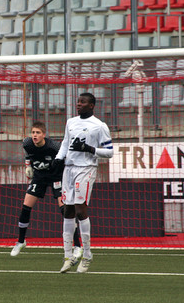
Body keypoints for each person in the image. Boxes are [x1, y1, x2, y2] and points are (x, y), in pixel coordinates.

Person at [55, 93, 113, 273]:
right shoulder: (71, 122)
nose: (78, 104)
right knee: (67, 209)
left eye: (83, 102)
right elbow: (65, 143)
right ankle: (68, 255)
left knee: (81, 209)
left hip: (86, 168)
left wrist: (89, 148)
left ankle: (87, 255)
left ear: (92, 105)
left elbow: (109, 152)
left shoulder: (99, 126)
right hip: (69, 168)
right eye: (78, 101)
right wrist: (58, 158)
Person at [10, 121, 82, 262]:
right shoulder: (27, 143)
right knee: (26, 207)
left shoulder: (54, 146)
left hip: (57, 177)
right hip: (39, 177)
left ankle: (78, 245)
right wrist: (28, 165)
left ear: (44, 135)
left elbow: (66, 157)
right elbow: (28, 154)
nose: (35, 135)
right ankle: (21, 241)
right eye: (33, 133)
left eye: (38, 133)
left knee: (65, 210)